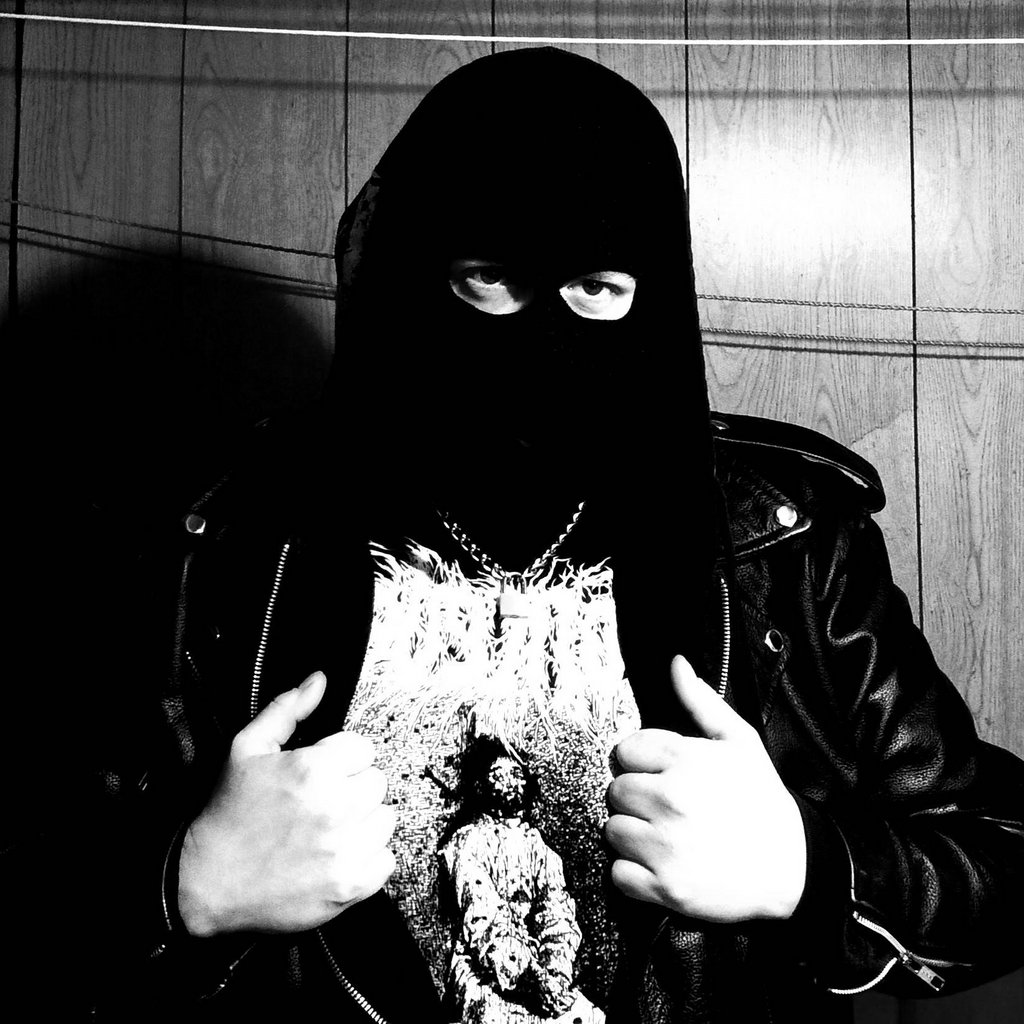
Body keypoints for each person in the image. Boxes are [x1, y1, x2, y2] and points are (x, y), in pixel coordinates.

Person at [5, 47, 1023, 1023]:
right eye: (490, 277)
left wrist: (810, 872)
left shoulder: (782, 539)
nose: (543, 336)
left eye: (598, 288)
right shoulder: (221, 537)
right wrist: (186, 887)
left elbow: (1002, 860)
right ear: (411, 269)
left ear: (653, 292)